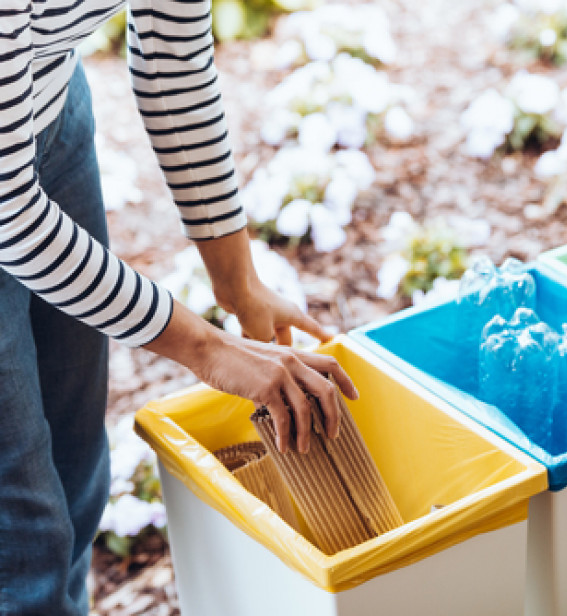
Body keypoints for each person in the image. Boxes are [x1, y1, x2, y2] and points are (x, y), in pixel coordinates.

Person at [0, 1, 358, 614]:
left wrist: (239, 286)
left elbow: (174, 61)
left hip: (47, 108)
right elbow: (10, 214)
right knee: (24, 533)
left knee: (75, 468)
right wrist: (208, 348)